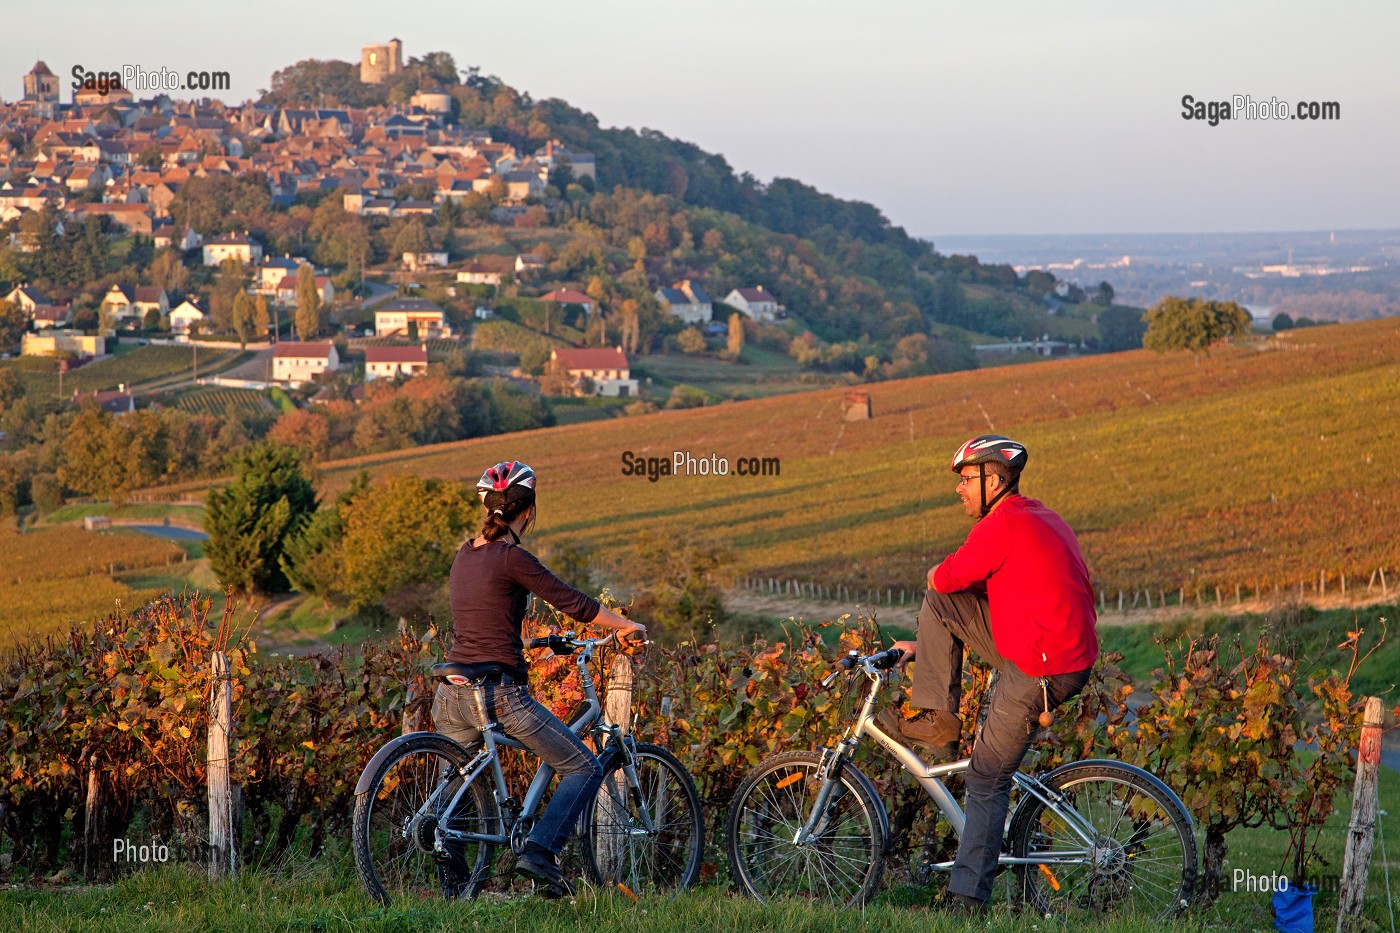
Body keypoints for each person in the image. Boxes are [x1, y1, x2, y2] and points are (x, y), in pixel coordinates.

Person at [880, 435, 1098, 912]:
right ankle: (939, 719)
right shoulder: (1037, 516)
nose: (958, 490)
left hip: (1040, 667)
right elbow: (964, 603)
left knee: (986, 778)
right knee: (942, 606)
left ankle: (967, 901)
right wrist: (923, 646)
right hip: (1051, 650)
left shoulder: (1000, 527)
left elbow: (942, 578)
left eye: (964, 479)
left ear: (993, 479)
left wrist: (939, 577)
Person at [431, 460, 645, 898]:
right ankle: (541, 854)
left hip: (451, 690)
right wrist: (625, 625)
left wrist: (532, 643)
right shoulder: (512, 558)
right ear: (527, 512)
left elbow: (481, 624)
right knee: (584, 766)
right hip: (497, 693)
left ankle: (454, 891)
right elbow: (574, 602)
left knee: (454, 791)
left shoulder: (464, 554)